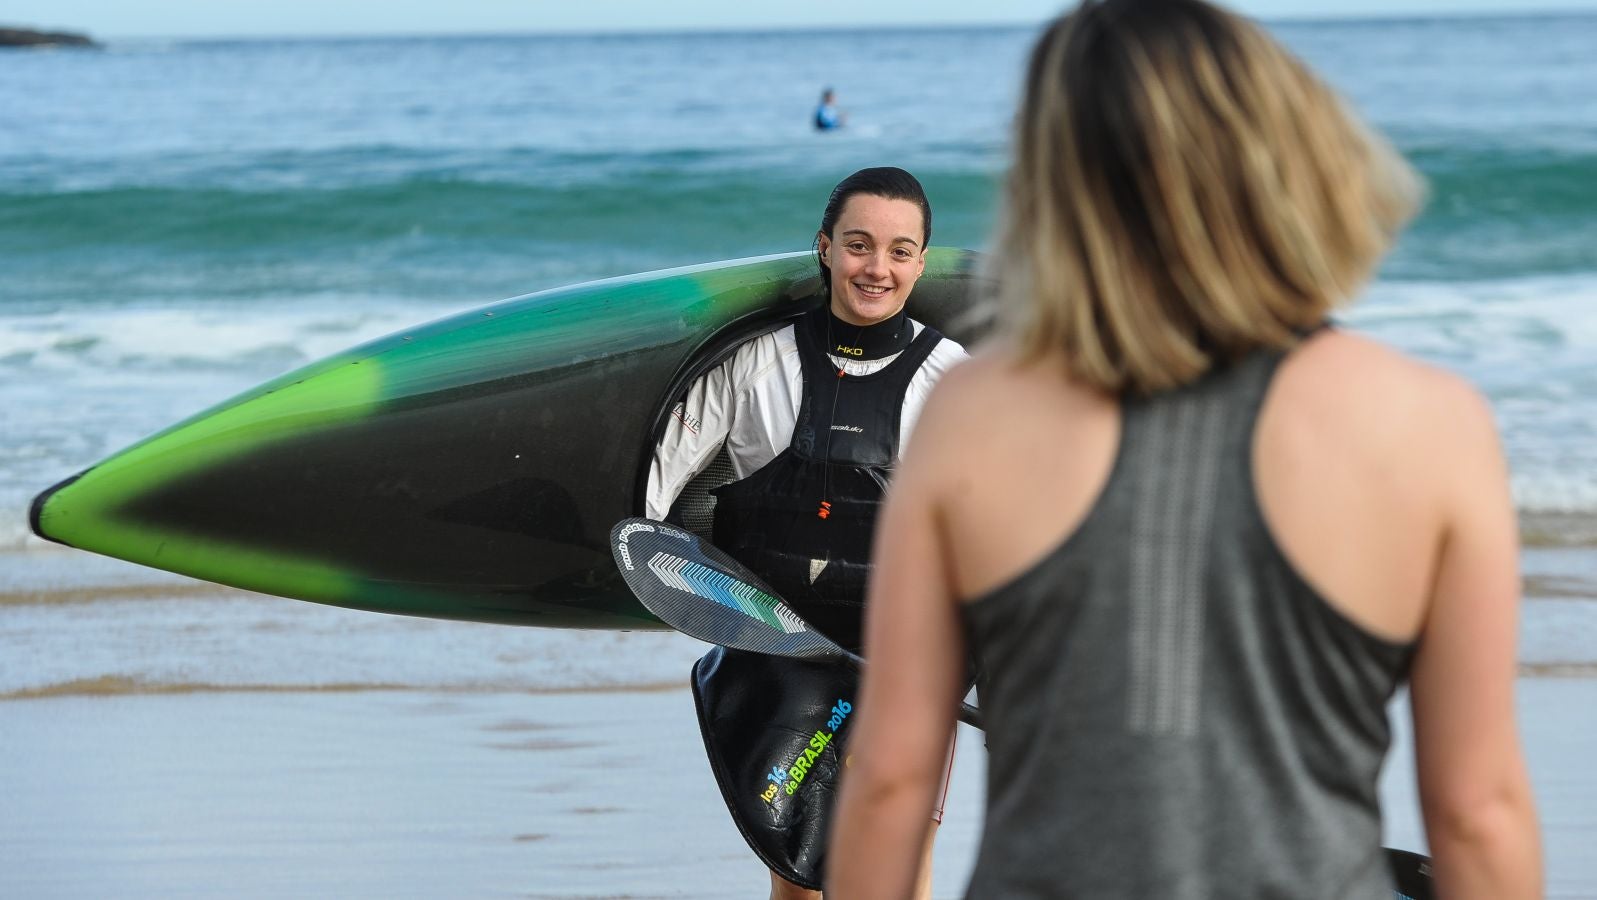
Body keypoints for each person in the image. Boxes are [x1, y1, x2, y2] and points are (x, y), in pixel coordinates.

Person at [827, 1, 1542, 898]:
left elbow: (891, 778)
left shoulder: (973, 412)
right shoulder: (1425, 421)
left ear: (1059, 179)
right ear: (1278, 157)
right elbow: (1478, 810)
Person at [647, 166, 967, 899]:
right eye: (858, 245)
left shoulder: (954, 379)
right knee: (795, 874)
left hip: (902, 657)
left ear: (920, 261)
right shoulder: (754, 363)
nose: (876, 268)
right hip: (777, 648)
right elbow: (652, 504)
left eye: (897, 250)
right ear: (824, 248)